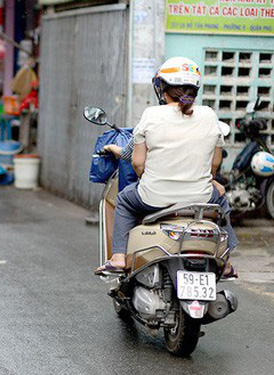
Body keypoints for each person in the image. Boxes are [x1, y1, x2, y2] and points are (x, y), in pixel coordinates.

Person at [96, 57, 238, 278]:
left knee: (124, 200)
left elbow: (137, 162)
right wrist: (208, 179)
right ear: (195, 89)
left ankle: (118, 258)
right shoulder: (210, 115)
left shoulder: (151, 115)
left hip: (154, 197)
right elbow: (215, 163)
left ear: (161, 87)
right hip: (199, 198)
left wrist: (149, 177)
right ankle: (227, 262)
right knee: (220, 196)